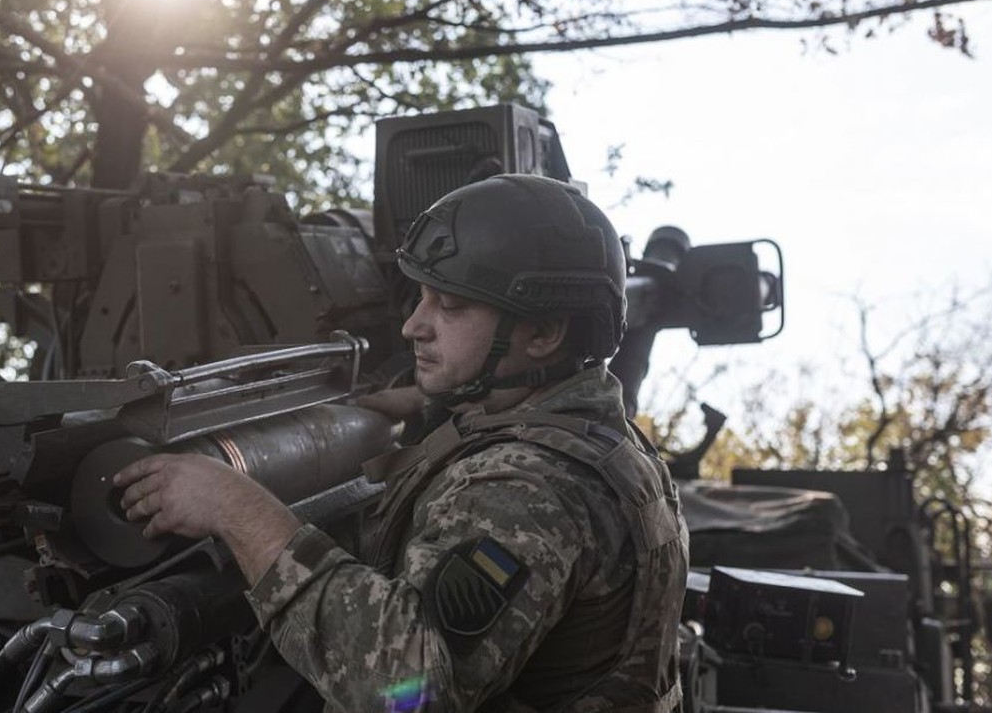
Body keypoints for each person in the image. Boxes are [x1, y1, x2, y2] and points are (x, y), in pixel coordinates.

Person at [114, 174, 688, 712]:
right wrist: (430, 403)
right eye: (422, 297)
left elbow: (406, 683)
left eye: (451, 306)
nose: (415, 325)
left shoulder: (529, 487)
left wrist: (234, 507)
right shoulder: (603, 439)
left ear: (542, 334)